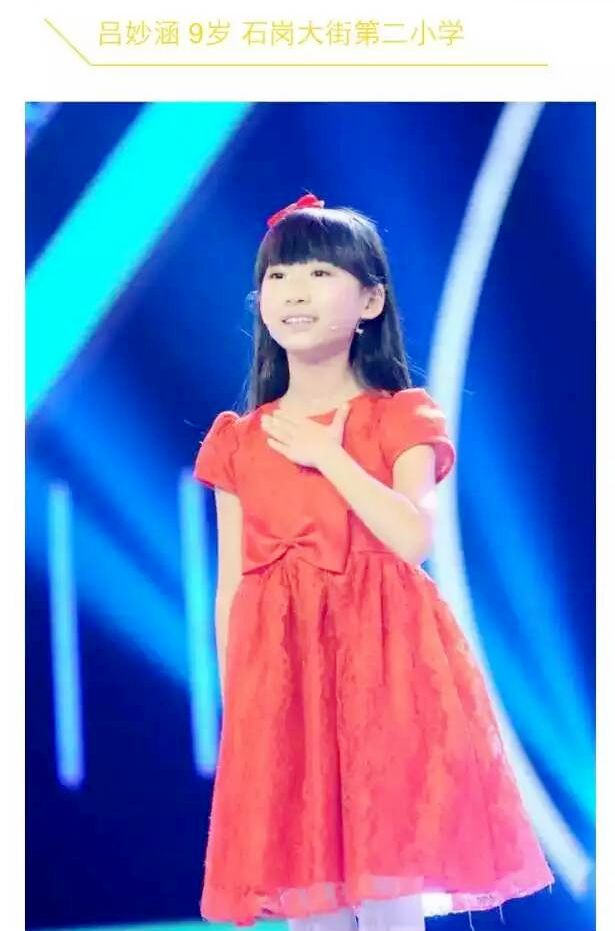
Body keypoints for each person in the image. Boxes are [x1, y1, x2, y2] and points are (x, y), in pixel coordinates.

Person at [192, 193, 555, 931]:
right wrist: (247, 711)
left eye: (320, 272)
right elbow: (231, 588)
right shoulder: (238, 441)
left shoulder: (401, 416)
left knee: (388, 894)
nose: (294, 291)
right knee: (311, 902)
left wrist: (329, 455)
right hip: (284, 690)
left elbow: (410, 537)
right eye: (278, 275)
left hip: (385, 681)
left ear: (370, 300)